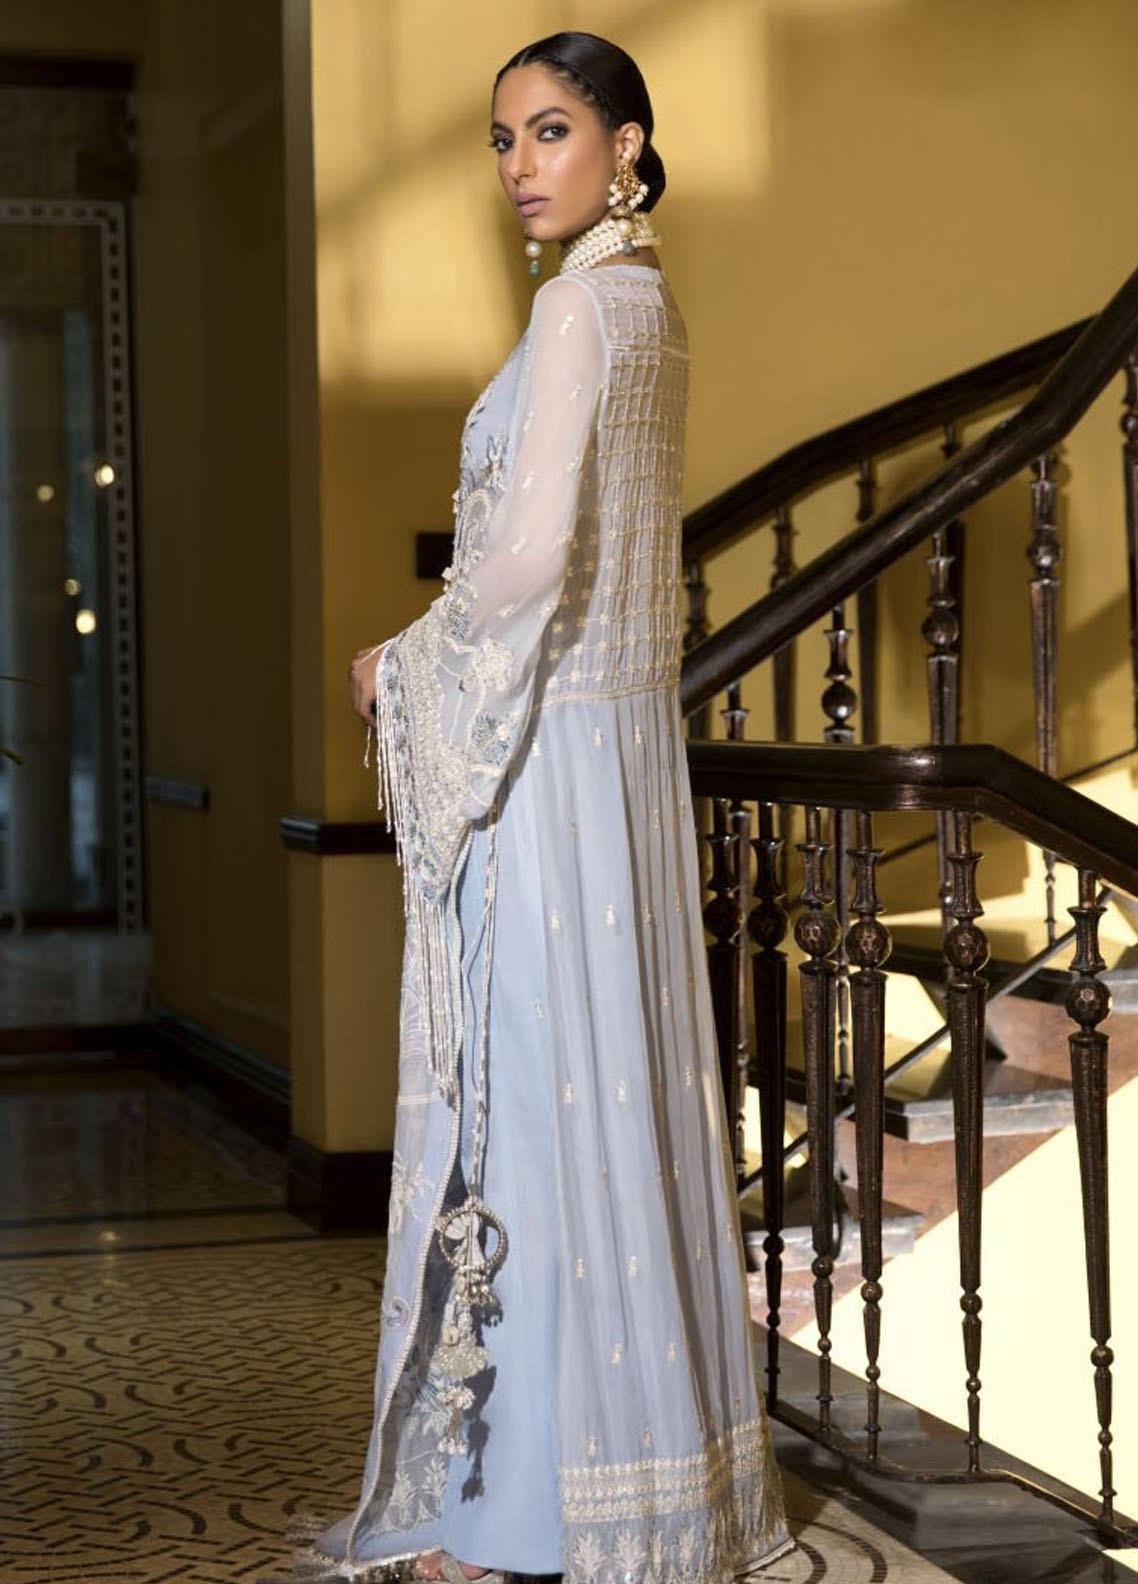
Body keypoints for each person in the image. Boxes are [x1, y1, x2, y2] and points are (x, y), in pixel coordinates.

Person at [286, 29, 792, 1584]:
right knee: (600, 1102)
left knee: (523, 1112)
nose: (518, 164)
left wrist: (399, 663)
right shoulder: (649, 305)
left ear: (627, 146)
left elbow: (524, 558)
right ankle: (632, 1489)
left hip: (549, 767)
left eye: (552, 130)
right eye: (502, 138)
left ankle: (515, 1518)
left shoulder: (579, 308)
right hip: (616, 755)